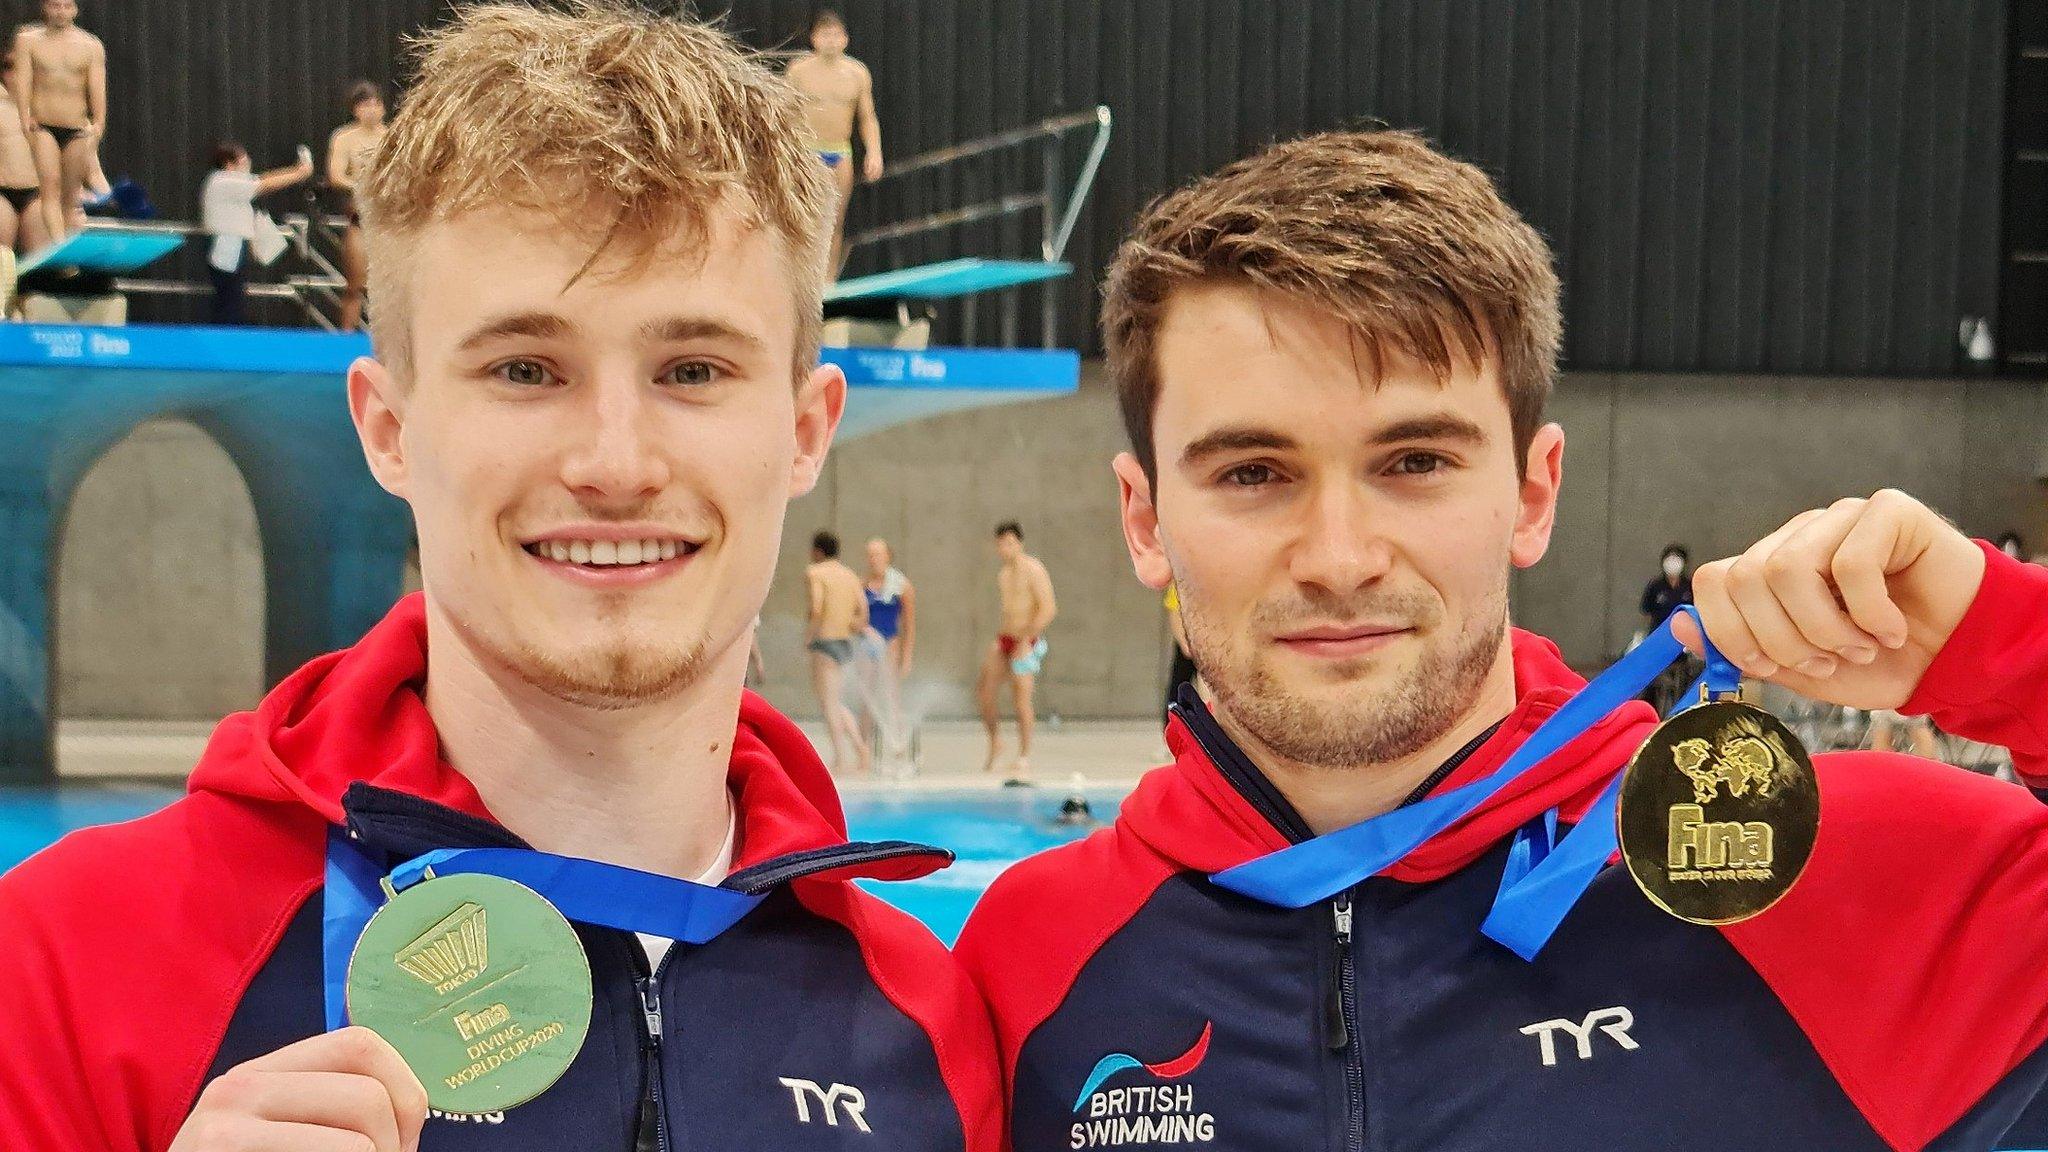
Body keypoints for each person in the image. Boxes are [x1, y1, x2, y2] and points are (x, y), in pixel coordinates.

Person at [0, 7, 999, 1150]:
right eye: (526, 368)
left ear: (805, 429)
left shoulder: (930, 1020)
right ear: (386, 428)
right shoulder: (69, 965)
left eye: (693, 368)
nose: (614, 464)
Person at [955, 129, 2048, 1150]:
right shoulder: (1028, 963)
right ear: (1144, 521)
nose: (1338, 557)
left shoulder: (1826, 880)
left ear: (1532, 494)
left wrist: (2007, 645)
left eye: (1414, 461)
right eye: (1252, 473)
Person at [784, 8, 881, 277]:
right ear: (813, 39)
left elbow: (867, 118)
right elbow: (784, 113)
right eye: (824, 35)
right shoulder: (799, 71)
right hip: (807, 152)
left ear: (845, 40)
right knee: (804, 219)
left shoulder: (857, 73)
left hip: (839, 152)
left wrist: (874, 152)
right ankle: (802, 279)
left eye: (835, 35)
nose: (830, 40)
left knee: (834, 221)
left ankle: (828, 282)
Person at [10, 0, 102, 242]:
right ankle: (61, 249)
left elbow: (96, 89)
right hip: (43, 126)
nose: (60, 12)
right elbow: (23, 83)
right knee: (49, 190)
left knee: (70, 198)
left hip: (77, 127)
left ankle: (68, 248)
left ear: (75, 9)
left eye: (65, 6)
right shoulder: (28, 41)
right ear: (45, 8)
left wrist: (98, 125)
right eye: (55, 6)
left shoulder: (90, 46)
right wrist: (24, 119)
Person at [198, 141, 313, 326]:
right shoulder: (224, 181)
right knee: (229, 296)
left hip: (232, 244)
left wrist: (295, 170)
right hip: (226, 244)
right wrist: (299, 173)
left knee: (232, 294)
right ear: (229, 163)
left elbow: (262, 178)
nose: (248, 162)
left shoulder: (226, 181)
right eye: (243, 159)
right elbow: (264, 183)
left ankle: (229, 329)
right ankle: (227, 335)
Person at [978, 521, 1055, 783]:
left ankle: (1024, 755)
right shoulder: (1003, 574)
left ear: (1019, 544)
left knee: (1021, 699)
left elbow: (1047, 608)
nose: (1005, 548)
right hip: (1006, 638)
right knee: (985, 692)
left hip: (1028, 640)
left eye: (1010, 543)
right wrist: (1006, 640)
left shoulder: (1033, 570)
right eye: (1001, 544)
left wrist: (1027, 639)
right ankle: (996, 741)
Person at [807, 530, 872, 774]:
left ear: (817, 551)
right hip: (844, 643)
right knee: (836, 701)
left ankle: (842, 756)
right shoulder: (850, 575)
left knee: (829, 704)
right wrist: (851, 626)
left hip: (824, 643)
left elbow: (816, 606)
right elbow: (863, 611)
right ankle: (858, 749)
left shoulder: (815, 573)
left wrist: (809, 635)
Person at [326, 79, 388, 332]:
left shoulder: (392, 136)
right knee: (354, 284)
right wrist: (362, 186)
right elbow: (336, 175)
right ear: (355, 110)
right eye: (365, 105)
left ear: (383, 108)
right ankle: (346, 339)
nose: (371, 110)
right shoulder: (345, 138)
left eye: (375, 104)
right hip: (360, 220)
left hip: (388, 221)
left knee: (388, 289)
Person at [861, 536, 915, 756]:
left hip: (890, 643)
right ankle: (863, 746)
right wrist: (865, 629)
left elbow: (909, 625)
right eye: (871, 555)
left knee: (891, 694)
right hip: (867, 644)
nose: (875, 560)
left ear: (888, 556)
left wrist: (906, 657)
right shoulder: (862, 585)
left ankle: (898, 745)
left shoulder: (901, 586)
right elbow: (855, 618)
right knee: (867, 694)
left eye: (879, 555)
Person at [1639, 543, 1695, 712]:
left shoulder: (1689, 586)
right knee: (1654, 685)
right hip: (1658, 642)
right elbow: (1645, 610)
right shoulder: (1656, 586)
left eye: (1676, 559)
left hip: (1683, 645)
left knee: (1684, 683)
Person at [0, 46, 44, 257]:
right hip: (2, 192)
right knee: (2, 260)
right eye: (8, 67)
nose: (13, 75)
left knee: (40, 263)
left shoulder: (50, 107)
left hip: (37, 193)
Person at [1162, 581, 1197, 723]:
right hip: (1191, 639)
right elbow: (1174, 609)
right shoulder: (1183, 579)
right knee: (1180, 684)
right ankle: (1173, 723)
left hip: (1215, 640)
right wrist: (1185, 642)